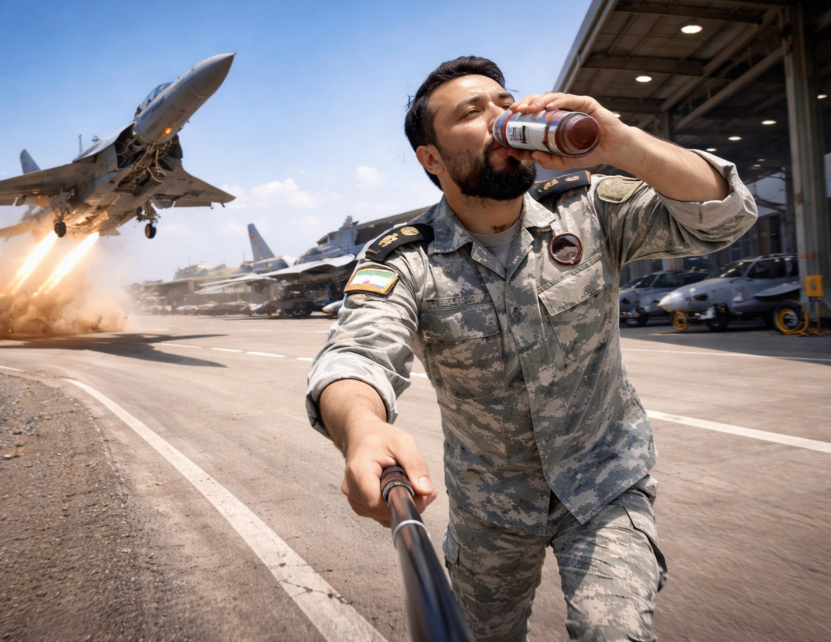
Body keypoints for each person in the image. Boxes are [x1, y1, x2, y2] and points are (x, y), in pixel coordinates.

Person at [305, 56, 756, 642]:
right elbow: (357, 353)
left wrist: (620, 142)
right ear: (432, 159)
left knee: (611, 630)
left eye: (504, 102)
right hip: (490, 512)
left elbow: (723, 217)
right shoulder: (405, 260)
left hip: (605, 486)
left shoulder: (589, 210)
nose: (502, 117)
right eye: (474, 112)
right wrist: (361, 429)